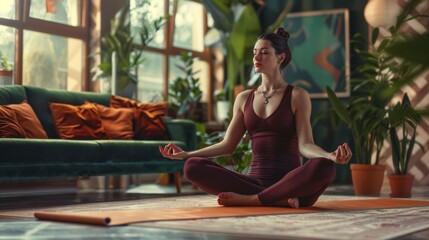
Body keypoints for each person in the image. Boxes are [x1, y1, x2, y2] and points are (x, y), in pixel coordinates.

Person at [159, 27, 352, 209]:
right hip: (253, 181)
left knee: (324, 167)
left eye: (264, 52)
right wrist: (187, 154)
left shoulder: (297, 96)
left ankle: (254, 200)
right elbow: (228, 145)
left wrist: (329, 156)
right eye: (254, 52)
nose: (256, 57)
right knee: (192, 167)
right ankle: (277, 199)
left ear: (280, 57)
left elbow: (305, 145)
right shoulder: (244, 98)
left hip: (292, 182)